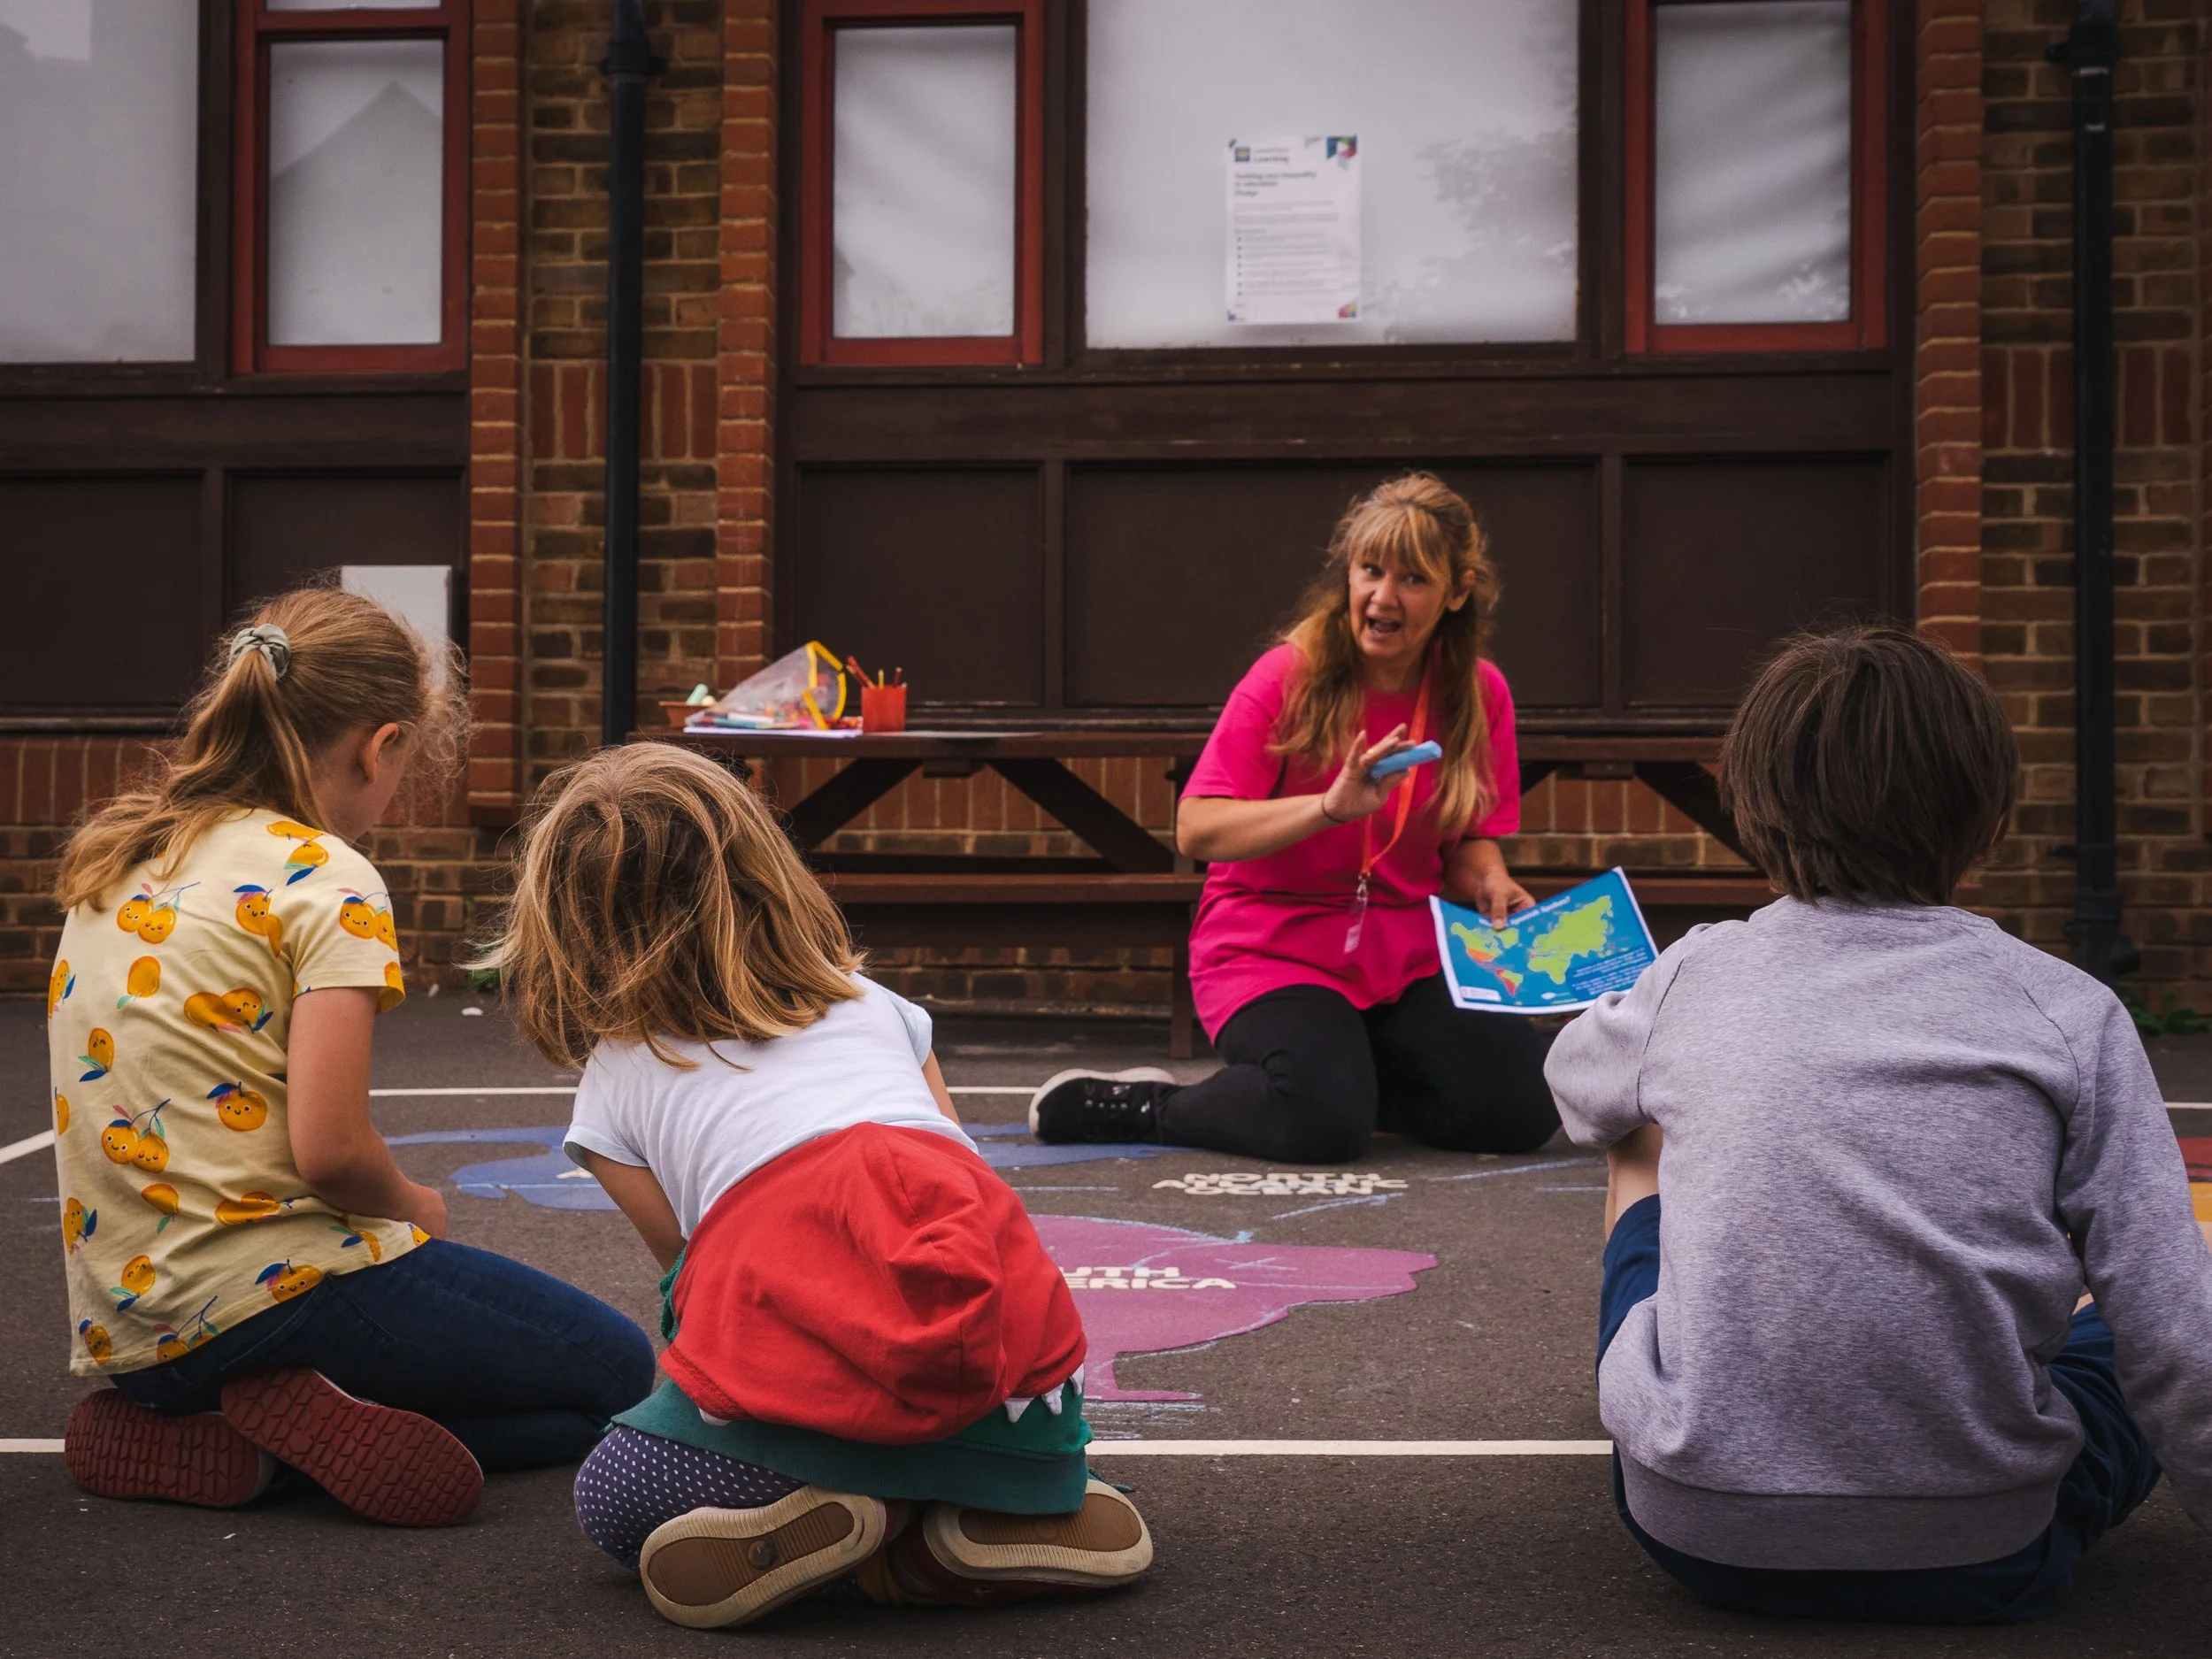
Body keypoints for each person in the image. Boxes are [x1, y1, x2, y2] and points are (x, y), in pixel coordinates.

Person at [1548, 624, 2212, 1623]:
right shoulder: (2066, 1012)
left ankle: (1706, 1389)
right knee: (2131, 1310)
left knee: (1636, 1141)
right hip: (1980, 1550)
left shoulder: (1694, 973)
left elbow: (1574, 1091)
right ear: (1984, 812)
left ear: (1756, 806)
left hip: (1698, 1534)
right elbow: (2176, 1337)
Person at [480, 744, 1153, 1630]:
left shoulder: (613, 1082)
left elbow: (695, 1280)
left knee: (613, 1494)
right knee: (993, 1418)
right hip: (1011, 1370)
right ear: (766, 871)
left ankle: (868, 1542)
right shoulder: (879, 1009)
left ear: (568, 927)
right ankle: (1007, 1506)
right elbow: (963, 1188)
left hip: (813, 1394)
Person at [50, 586, 656, 1528]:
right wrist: (414, 1207)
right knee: (619, 1376)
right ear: (379, 746)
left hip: (138, 1336)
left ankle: (218, 1431)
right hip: (279, 1298)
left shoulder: (119, 857)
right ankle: (278, 1449)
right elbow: (331, 1152)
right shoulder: (325, 877)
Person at [1030, 472, 1557, 1164]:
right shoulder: (1288, 674)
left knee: (1521, 1110)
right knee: (1321, 1123)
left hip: (1405, 950)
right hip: (1271, 944)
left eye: (1413, 579)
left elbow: (1470, 839)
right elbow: (1198, 827)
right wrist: (1328, 808)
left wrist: (1490, 881)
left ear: (1457, 591)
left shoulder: (1480, 692)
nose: (1382, 597)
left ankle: (1340, 1079)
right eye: (1370, 570)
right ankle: (1145, 1105)